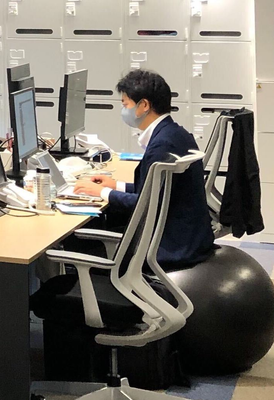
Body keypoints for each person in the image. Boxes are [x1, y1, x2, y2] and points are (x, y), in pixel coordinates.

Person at [70, 70, 215, 269]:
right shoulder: (174, 134)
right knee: (103, 220)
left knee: (77, 237)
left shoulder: (162, 145)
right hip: (186, 236)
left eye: (125, 105)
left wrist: (102, 192)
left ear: (144, 106)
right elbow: (158, 191)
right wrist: (116, 185)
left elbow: (146, 204)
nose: (123, 110)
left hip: (170, 246)